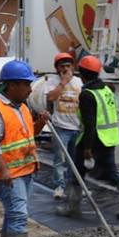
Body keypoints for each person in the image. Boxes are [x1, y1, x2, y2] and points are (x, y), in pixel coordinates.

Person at [0, 60, 48, 237]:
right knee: (18, 216)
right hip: (8, 174)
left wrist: (41, 123)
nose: (29, 89)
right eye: (26, 85)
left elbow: (28, 135)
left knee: (12, 215)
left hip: (24, 170)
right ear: (12, 85)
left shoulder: (21, 107)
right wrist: (3, 171)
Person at [69, 55, 119, 221]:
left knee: (77, 173)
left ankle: (72, 208)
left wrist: (87, 148)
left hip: (93, 140)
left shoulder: (87, 94)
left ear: (82, 74)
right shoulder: (106, 89)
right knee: (113, 174)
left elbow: (90, 123)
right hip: (109, 138)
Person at [36, 52, 83, 199]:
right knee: (59, 160)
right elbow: (50, 97)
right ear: (57, 68)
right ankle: (59, 186)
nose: (65, 69)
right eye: (62, 66)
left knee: (74, 161)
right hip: (60, 127)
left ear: (73, 67)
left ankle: (73, 188)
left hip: (77, 128)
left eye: (68, 66)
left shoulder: (79, 82)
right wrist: (63, 82)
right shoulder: (52, 81)